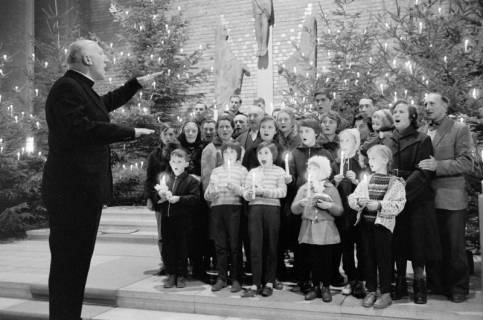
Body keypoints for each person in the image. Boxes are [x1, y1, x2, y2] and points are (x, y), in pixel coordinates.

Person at [41, 39, 157, 320]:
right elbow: (81, 129)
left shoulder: (80, 88)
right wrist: (130, 132)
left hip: (81, 191)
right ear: (87, 59)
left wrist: (134, 84)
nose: (107, 58)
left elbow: (103, 105)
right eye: (102, 53)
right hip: (71, 192)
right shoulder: (67, 87)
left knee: (77, 262)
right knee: (69, 262)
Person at [419, 93, 472, 303]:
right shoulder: (422, 131)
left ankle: (458, 288)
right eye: (425, 104)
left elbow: (467, 162)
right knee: (433, 244)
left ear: (445, 105)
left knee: (454, 246)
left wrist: (437, 166)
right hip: (427, 198)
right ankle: (437, 284)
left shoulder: (459, 129)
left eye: (432, 103)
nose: (427, 107)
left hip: (451, 197)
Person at [388, 100, 441, 304]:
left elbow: (424, 170)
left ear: (411, 117)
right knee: (398, 242)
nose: (396, 113)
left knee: (418, 244)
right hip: (394, 199)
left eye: (401, 111)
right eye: (395, 111)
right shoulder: (388, 141)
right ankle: (400, 282)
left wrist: (402, 189)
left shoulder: (422, 139)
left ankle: (420, 284)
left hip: (416, 198)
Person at [348, 145, 406, 309]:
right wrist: (359, 202)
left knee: (384, 259)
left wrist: (379, 205)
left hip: (382, 227)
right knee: (368, 258)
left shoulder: (395, 183)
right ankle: (371, 290)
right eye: (369, 158)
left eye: (373, 158)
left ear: (385, 160)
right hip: (366, 226)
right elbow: (353, 198)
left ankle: (386, 292)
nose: (370, 161)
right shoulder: (367, 180)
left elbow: (399, 204)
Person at [288, 118, 333, 293]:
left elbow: (330, 175)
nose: (304, 135)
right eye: (301, 131)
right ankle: (303, 279)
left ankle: (321, 280)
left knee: (319, 246)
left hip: (320, 205)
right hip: (301, 202)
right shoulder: (295, 153)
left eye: (307, 131)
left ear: (316, 133)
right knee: (301, 244)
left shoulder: (325, 153)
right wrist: (292, 180)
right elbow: (290, 178)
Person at [291, 155, 343, 303]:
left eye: (315, 168)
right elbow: (294, 209)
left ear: (324, 171)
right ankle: (315, 286)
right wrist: (301, 203)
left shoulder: (330, 188)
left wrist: (329, 206)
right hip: (309, 228)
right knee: (312, 259)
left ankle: (325, 287)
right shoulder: (304, 188)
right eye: (310, 168)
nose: (311, 171)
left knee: (325, 259)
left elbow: (339, 210)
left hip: (325, 228)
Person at [242, 142, 287, 297]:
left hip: (272, 210)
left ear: (273, 155)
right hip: (255, 210)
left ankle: (269, 281)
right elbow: (246, 193)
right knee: (255, 246)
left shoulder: (279, 171)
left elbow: (282, 192)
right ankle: (255, 283)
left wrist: (263, 191)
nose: (262, 156)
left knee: (271, 246)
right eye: (260, 153)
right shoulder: (252, 172)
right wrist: (249, 194)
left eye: (266, 153)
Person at [204, 141, 247, 293]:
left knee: (235, 245)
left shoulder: (242, 170)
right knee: (220, 245)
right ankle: (222, 277)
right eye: (226, 152)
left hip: (234, 209)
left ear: (238, 155)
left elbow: (247, 193)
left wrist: (237, 189)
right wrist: (211, 194)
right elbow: (207, 194)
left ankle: (236, 278)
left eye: (232, 153)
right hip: (217, 209)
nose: (229, 155)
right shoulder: (216, 171)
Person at [157, 149, 201, 289]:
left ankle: (181, 274)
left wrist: (180, 199)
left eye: (180, 162)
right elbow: (157, 196)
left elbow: (195, 198)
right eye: (174, 161)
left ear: (186, 164)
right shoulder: (167, 179)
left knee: (182, 247)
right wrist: (161, 196)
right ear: (170, 162)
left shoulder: (191, 181)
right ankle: (171, 274)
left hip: (182, 219)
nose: (176, 164)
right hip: (167, 218)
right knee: (168, 246)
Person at [333, 128, 365, 298]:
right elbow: (328, 187)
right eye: (341, 141)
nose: (344, 144)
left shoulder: (361, 162)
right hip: (342, 212)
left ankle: (361, 279)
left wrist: (356, 180)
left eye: (347, 141)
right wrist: (335, 182)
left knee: (361, 247)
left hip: (358, 212)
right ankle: (351, 278)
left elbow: (368, 184)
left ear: (356, 143)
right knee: (345, 247)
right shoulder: (336, 163)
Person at [145, 123, 179, 275]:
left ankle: (180, 264)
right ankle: (166, 263)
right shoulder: (154, 155)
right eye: (166, 134)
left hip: (177, 198)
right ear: (161, 136)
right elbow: (149, 178)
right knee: (162, 235)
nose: (169, 137)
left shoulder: (179, 153)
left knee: (177, 233)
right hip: (159, 199)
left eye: (172, 134)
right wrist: (149, 198)